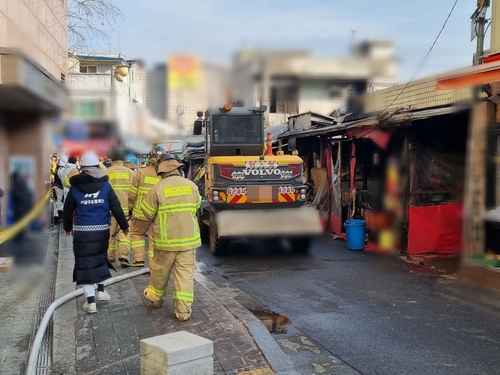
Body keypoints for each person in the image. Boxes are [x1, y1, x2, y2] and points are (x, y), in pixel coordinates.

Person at [62, 151, 129, 314]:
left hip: (82, 232)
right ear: (97, 166)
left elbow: (67, 210)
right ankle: (101, 292)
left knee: (84, 263)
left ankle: (90, 302)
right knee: (100, 258)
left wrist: (67, 229)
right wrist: (125, 227)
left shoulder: (76, 186)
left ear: (82, 167)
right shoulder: (105, 185)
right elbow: (116, 207)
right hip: (102, 230)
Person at [140, 153, 201, 321]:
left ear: (161, 172)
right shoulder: (191, 186)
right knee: (185, 276)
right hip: (188, 242)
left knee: (160, 272)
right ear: (177, 169)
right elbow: (196, 207)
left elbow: (147, 212)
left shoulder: (157, 189)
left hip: (165, 242)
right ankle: (183, 312)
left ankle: (155, 299)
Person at [127, 147, 164, 267]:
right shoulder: (164, 175)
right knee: (154, 239)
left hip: (141, 213)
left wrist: (130, 209)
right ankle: (154, 265)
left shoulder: (141, 173)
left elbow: (132, 195)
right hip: (158, 214)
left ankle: (139, 259)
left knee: (136, 234)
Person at [106, 150, 134, 268]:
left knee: (110, 234)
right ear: (123, 160)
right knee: (125, 233)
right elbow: (134, 193)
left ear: (112, 160)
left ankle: (110, 256)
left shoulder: (106, 172)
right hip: (126, 209)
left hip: (110, 209)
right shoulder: (130, 173)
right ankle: (124, 257)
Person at [52, 155, 65, 222]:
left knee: (59, 201)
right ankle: (61, 217)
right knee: (60, 201)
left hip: (58, 187)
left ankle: (60, 216)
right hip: (60, 187)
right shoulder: (61, 169)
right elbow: (62, 180)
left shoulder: (58, 167)